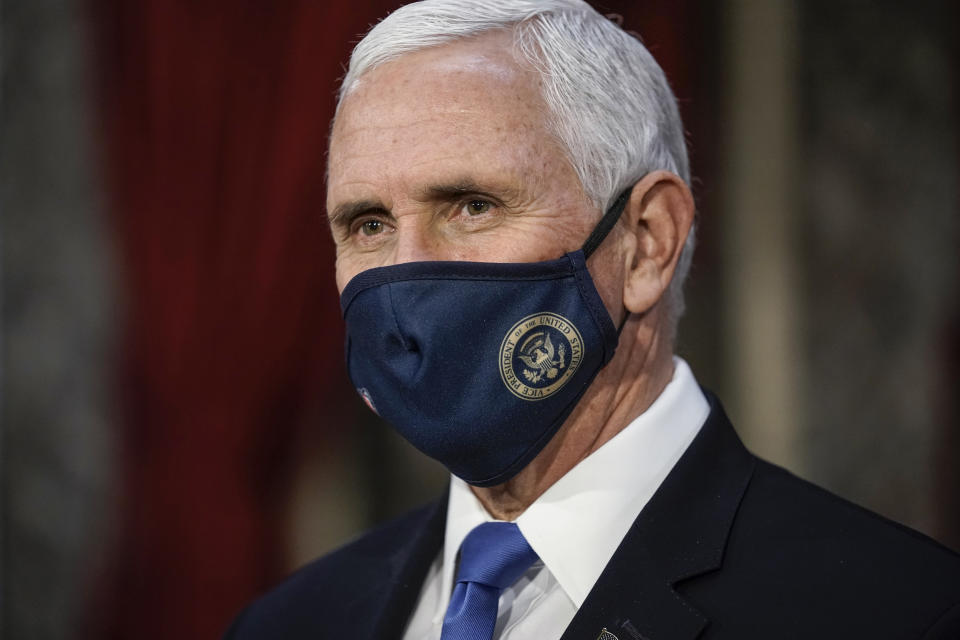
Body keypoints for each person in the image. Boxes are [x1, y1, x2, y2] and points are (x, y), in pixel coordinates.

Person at [226, 1, 960, 638]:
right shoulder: (291, 623)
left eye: (472, 206)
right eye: (367, 224)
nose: (405, 271)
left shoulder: (898, 614)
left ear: (646, 243)